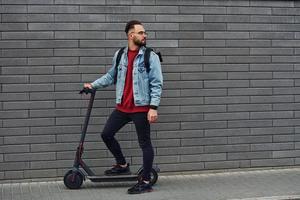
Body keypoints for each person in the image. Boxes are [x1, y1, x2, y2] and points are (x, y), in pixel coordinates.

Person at [84, 20, 163, 194]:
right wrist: (93, 85)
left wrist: (153, 107)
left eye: (145, 33)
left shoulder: (150, 56)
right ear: (131, 35)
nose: (145, 35)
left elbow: (157, 84)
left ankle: (145, 181)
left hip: (141, 108)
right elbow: (110, 76)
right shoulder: (120, 54)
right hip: (122, 107)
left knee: (145, 143)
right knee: (106, 134)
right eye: (141, 32)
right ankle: (122, 164)